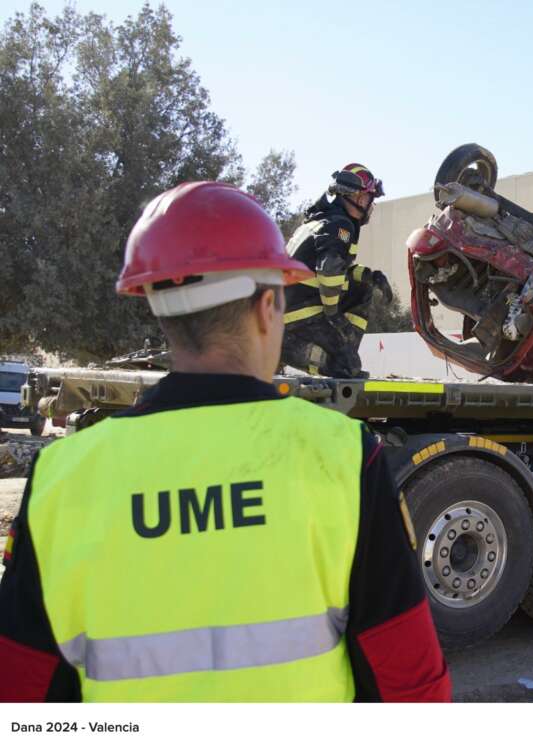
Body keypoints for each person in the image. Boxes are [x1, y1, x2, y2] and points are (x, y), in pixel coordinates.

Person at [0, 182, 450, 702]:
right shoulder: (343, 457)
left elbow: (21, 690)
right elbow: (410, 683)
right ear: (266, 307)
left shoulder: (64, 478)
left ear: (160, 310)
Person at [282, 163, 393, 378]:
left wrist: (372, 277)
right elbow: (329, 271)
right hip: (300, 315)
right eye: (370, 198)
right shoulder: (341, 225)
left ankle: (342, 353)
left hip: (289, 308)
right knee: (347, 368)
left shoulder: (324, 221)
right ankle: (294, 350)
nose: (371, 205)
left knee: (363, 287)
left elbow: (339, 271)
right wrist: (335, 317)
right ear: (359, 198)